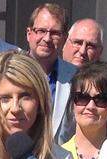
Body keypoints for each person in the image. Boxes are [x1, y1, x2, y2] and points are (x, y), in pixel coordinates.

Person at [24, 3, 75, 143]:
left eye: (55, 33)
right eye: (41, 31)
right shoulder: (8, 71)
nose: (47, 38)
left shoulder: (75, 77)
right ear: (29, 34)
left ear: (65, 38)